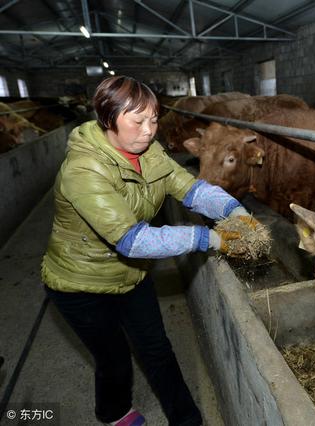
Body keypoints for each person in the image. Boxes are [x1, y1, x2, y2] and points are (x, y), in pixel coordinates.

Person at [41, 76, 258, 426]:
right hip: (80, 284)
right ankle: (114, 413)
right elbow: (133, 240)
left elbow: (190, 189)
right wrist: (209, 239)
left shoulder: (149, 151)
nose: (149, 130)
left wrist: (234, 211)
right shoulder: (83, 170)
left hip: (132, 273)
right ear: (108, 119)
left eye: (154, 119)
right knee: (114, 359)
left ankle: (187, 420)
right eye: (138, 121)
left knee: (157, 349)